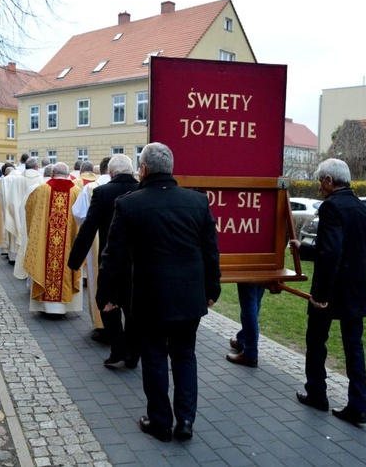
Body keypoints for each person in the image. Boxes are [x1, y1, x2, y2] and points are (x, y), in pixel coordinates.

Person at [97, 143, 221, 442]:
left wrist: (108, 294)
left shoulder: (129, 204)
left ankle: (160, 421)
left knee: (154, 357)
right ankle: (186, 421)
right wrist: (212, 289)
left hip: (149, 297)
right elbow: (210, 252)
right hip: (189, 296)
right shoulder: (197, 202)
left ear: (143, 169)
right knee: (184, 355)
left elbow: (113, 256)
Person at [289, 158, 366, 425]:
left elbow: (332, 254)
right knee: (353, 347)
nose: (319, 189)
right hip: (356, 289)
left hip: (331, 290)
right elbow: (342, 250)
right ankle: (358, 405)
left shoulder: (331, 208)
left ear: (328, 180)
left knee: (315, 341)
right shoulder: (361, 208)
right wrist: (303, 248)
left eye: (320, 183)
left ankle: (317, 393)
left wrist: (321, 296)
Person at [69, 155, 140, 367]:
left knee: (105, 302)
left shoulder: (103, 192)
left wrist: (75, 261)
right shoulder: (143, 190)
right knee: (133, 308)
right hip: (139, 261)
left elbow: (88, 228)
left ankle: (119, 348)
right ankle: (133, 353)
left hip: (111, 260)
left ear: (110, 173)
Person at [23, 162, 83, 315]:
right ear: (68, 174)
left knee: (44, 260)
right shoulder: (77, 191)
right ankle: (63, 306)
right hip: (69, 243)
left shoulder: (41, 190)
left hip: (46, 243)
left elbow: (30, 212)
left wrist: (36, 234)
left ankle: (45, 306)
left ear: (52, 174)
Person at [226, 283, 266, 367]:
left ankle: (250, 353)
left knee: (249, 304)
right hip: (266, 271)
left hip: (251, 272)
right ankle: (243, 340)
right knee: (255, 301)